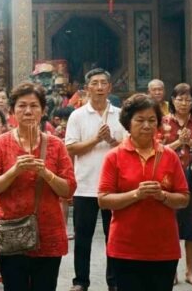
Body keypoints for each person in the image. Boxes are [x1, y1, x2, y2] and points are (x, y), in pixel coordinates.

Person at [0, 83, 76, 291]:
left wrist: (46, 173)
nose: (28, 111)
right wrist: (14, 171)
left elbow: (68, 189)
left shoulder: (56, 145)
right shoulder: (0, 144)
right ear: (12, 111)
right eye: (21, 106)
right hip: (11, 232)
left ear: (43, 111)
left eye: (34, 106)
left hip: (48, 232)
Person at [98, 93, 189, 291]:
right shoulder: (114, 157)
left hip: (164, 247)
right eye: (140, 120)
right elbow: (103, 200)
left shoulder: (169, 156)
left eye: (152, 120)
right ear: (127, 123)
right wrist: (135, 195)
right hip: (125, 247)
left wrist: (163, 196)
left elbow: (183, 198)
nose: (147, 126)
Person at [65, 67, 125, 291]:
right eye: (95, 83)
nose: (99, 88)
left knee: (114, 238)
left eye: (103, 83)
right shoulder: (77, 115)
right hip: (85, 186)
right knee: (83, 239)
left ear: (110, 87)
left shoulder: (121, 115)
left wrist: (111, 140)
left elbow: (128, 148)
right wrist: (95, 139)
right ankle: (81, 281)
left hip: (115, 188)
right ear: (87, 88)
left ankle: (114, 281)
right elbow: (71, 148)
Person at [161, 83, 192, 287]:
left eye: (188, 99)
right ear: (172, 100)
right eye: (180, 99)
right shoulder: (163, 122)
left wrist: (190, 143)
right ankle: (170, 271)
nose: (184, 103)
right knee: (170, 225)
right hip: (169, 179)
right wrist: (179, 143)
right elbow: (159, 150)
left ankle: (190, 271)